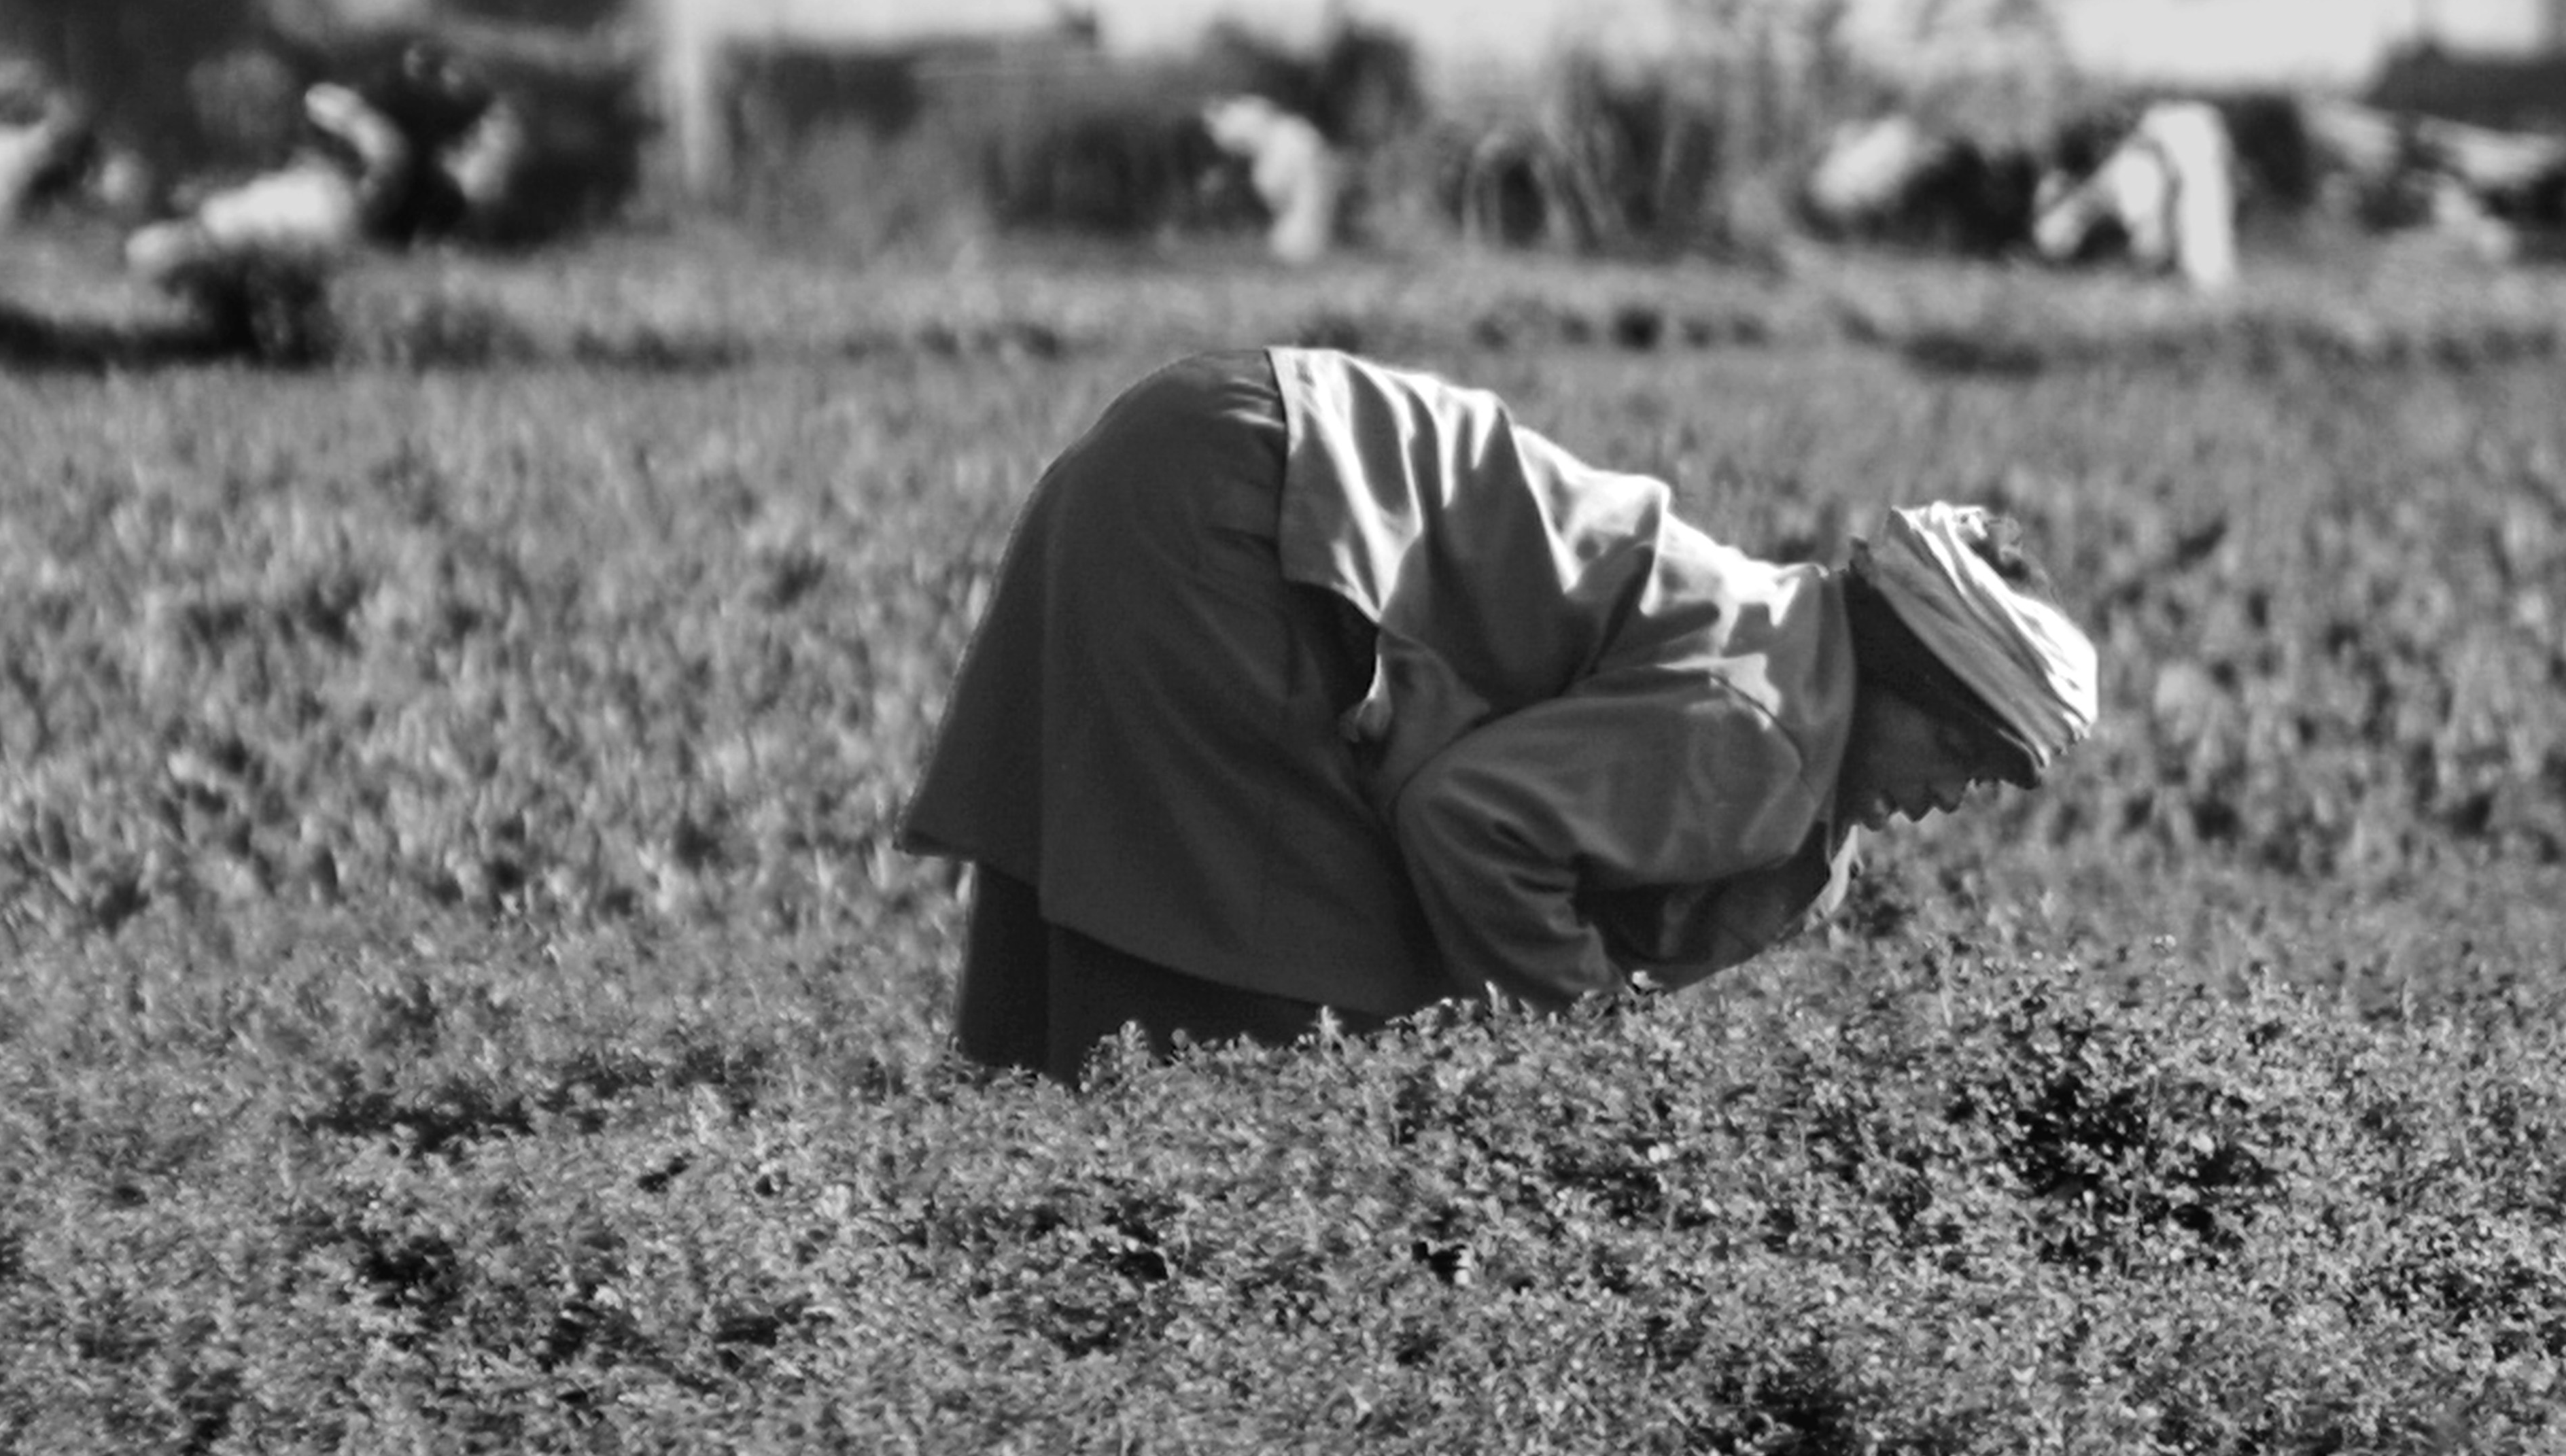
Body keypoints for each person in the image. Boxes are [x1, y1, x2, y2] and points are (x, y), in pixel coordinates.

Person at [900, 346, 2101, 1078]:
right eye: (1955, 744)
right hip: (1240, 507)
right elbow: (1470, 822)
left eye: (1982, 779)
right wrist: (1588, 1048)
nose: (1948, 793)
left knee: (1077, 982)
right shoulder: (1766, 732)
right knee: (1278, 995)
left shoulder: (1784, 644)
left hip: (1198, 439)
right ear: (1897, 675)